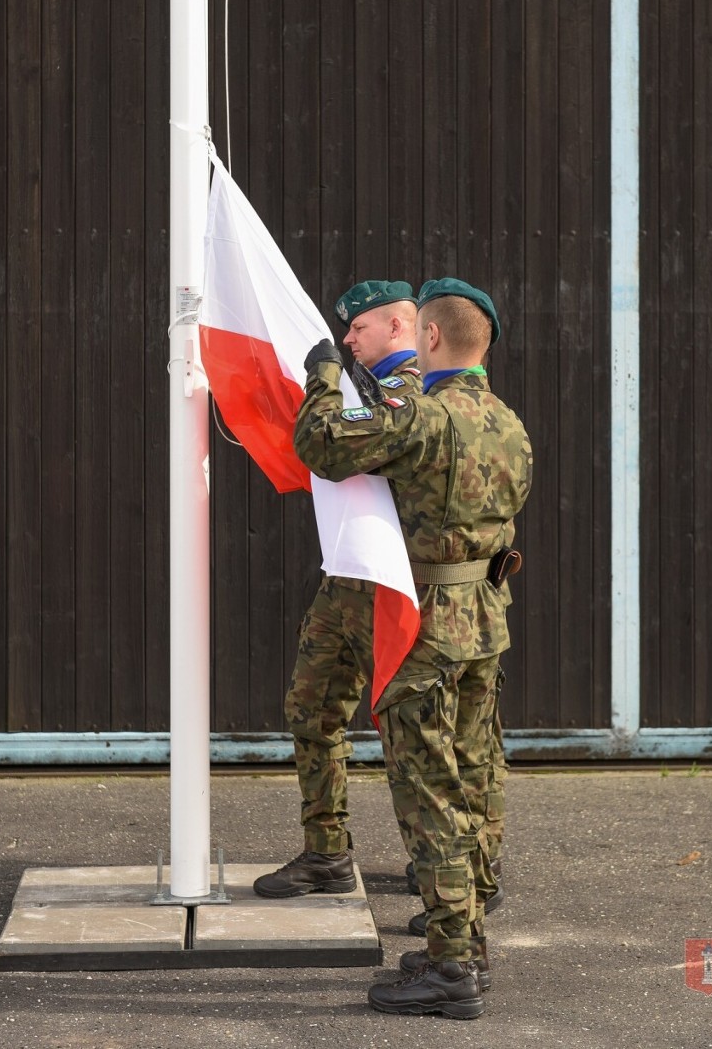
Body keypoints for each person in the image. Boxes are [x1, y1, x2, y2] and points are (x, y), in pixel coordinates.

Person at [293, 278, 532, 1020]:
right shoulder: (510, 425)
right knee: (466, 780)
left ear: (428, 338)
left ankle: (451, 966)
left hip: (426, 629)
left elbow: (321, 445)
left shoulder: (425, 419)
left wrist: (323, 374)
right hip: (484, 621)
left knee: (427, 794)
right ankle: (466, 941)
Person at [252, 281, 421, 899]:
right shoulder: (372, 390)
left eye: (358, 329)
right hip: (347, 577)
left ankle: (455, 866)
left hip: (392, 584)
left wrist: (322, 374)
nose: (347, 341)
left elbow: (327, 446)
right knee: (312, 709)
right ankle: (326, 852)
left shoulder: (411, 392)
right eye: (344, 333)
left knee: (416, 731)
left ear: (398, 327)